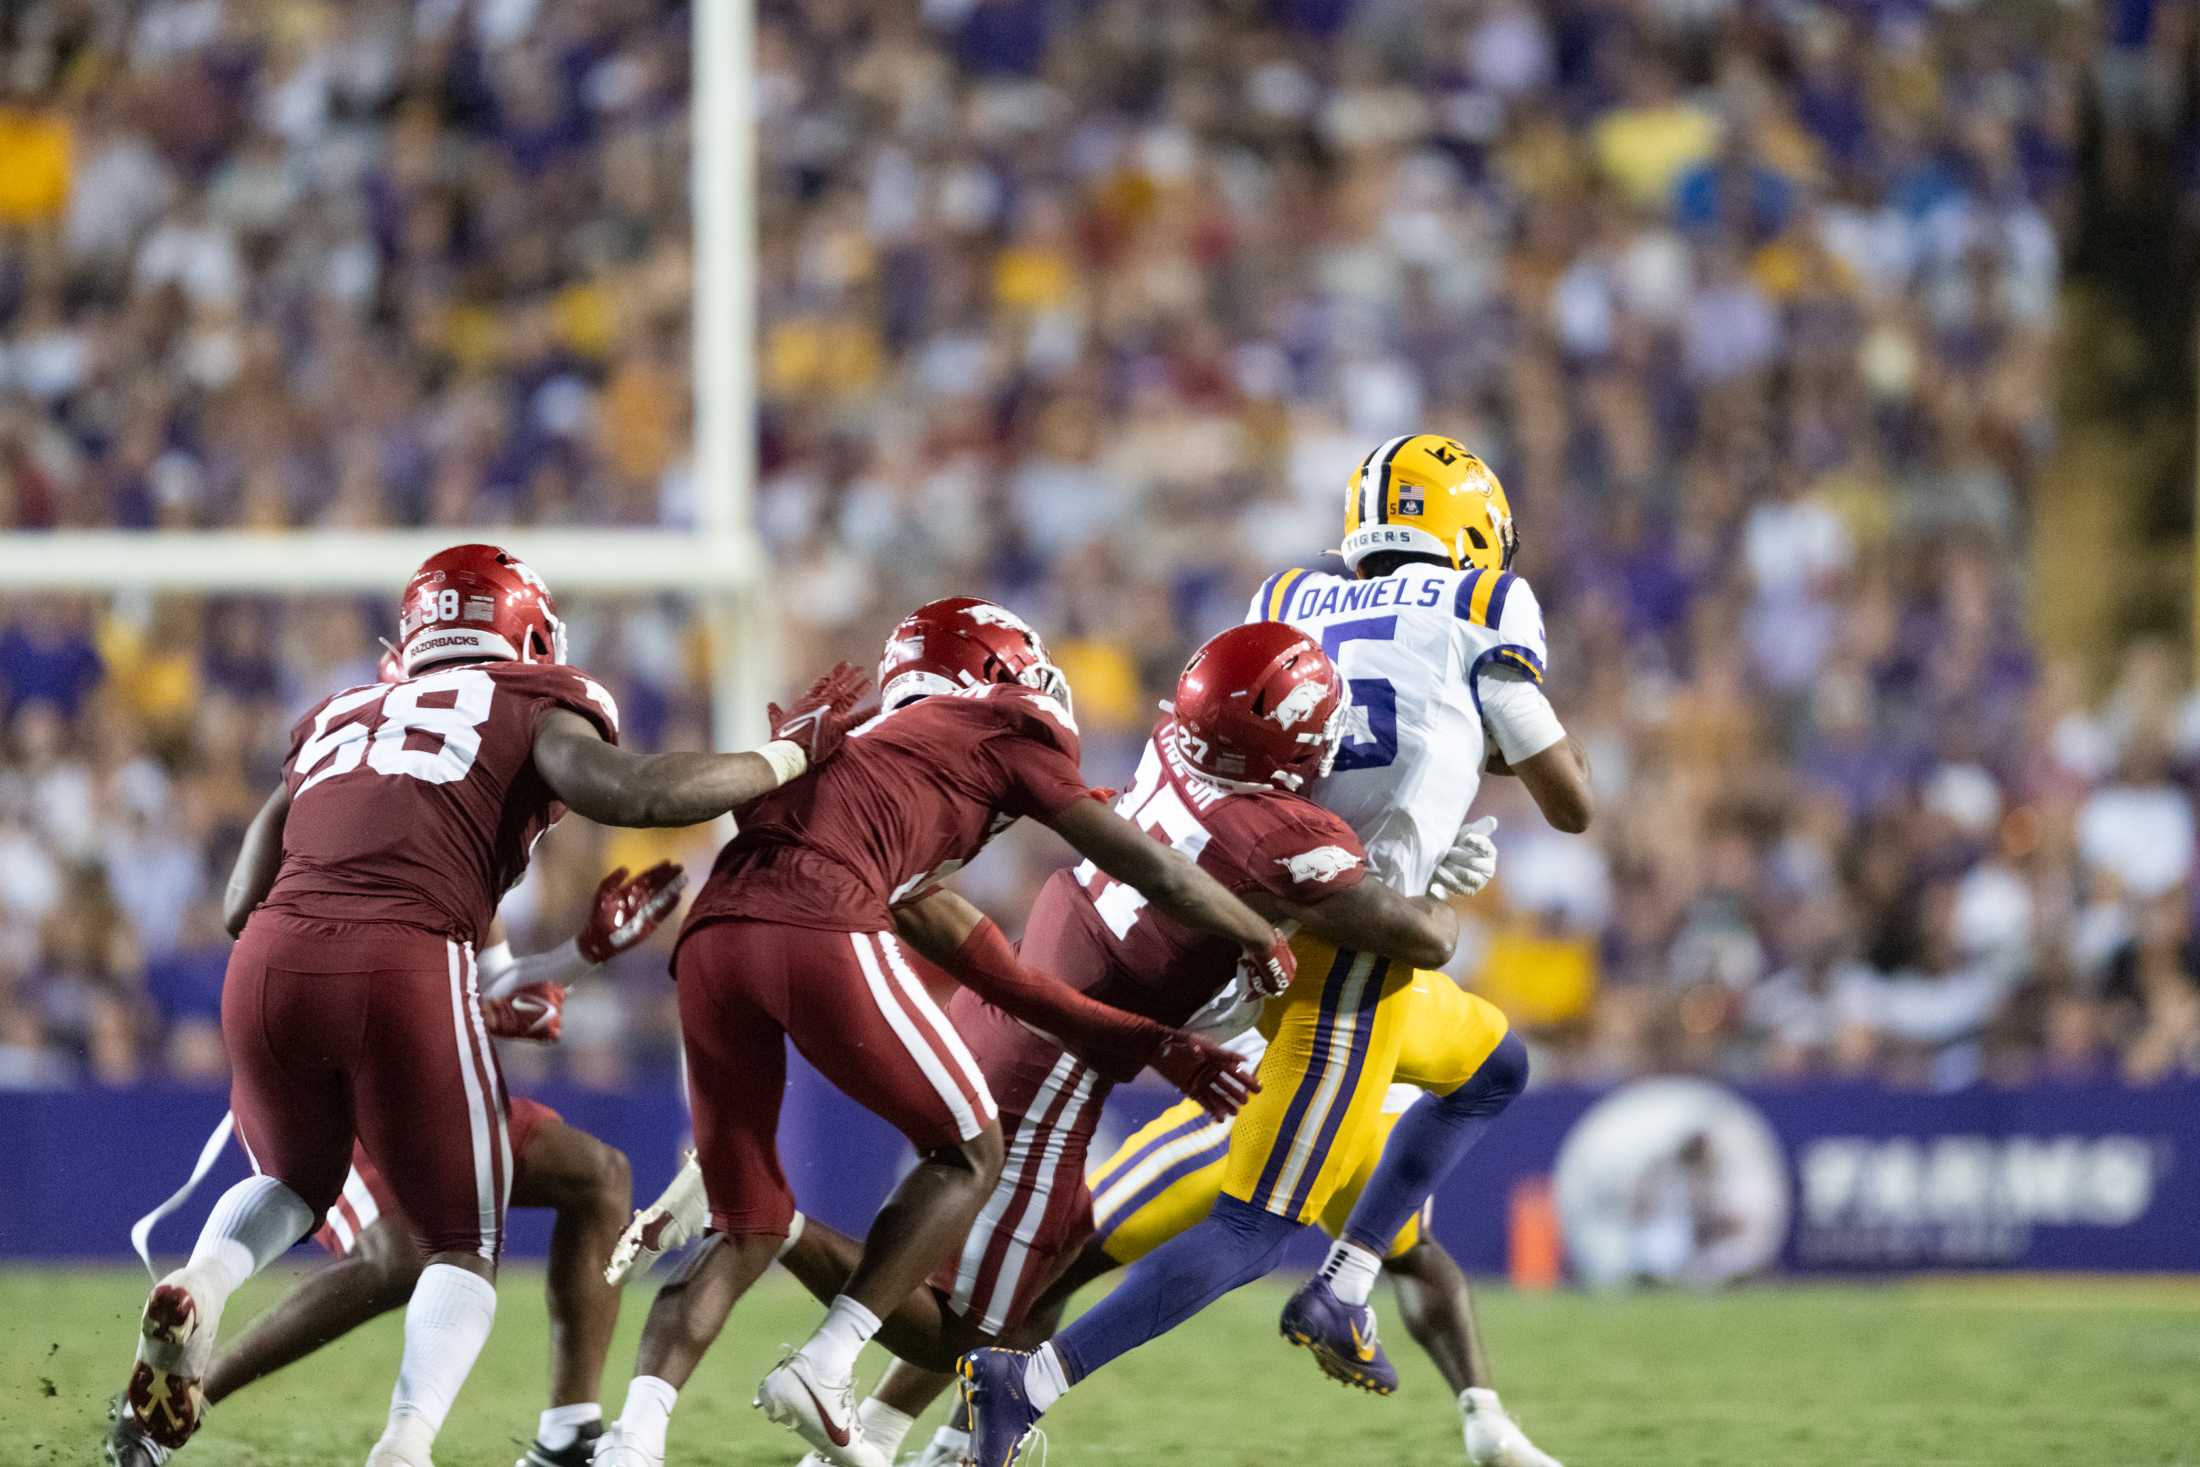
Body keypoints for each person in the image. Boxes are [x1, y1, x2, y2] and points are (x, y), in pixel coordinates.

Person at [109, 543, 869, 1467]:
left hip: (268, 967)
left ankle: (204, 1279)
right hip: (401, 965)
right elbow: (636, 791)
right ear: (528, 633)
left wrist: (578, 955)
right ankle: (404, 1442)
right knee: (456, 1244)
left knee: (303, 1185)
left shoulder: (341, 715)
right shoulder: (527, 704)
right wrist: (790, 754)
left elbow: (239, 902)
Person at [961, 435, 1595, 1466]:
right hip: (1347, 954)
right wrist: (1461, 795)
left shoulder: (1288, 593)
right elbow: (1568, 802)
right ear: (1469, 525)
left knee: (1493, 1069)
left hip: (1260, 910)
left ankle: (1342, 1289)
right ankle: (1021, 1384)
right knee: (1250, 1225)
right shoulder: (1487, 605)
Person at [592, 597, 1295, 1467]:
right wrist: (1258, 933)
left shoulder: (878, 768)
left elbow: (996, 968)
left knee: (751, 1221)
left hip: (710, 939)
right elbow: (1144, 861)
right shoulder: (1003, 727)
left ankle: (633, 1436)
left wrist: (1152, 1044)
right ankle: (827, 1360)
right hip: (820, 920)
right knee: (970, 1148)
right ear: (999, 673)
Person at [106, 864, 687, 1467]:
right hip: (340, 1080)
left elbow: (498, 988)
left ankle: (568, 1433)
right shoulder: (398, 814)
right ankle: (173, 1404)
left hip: (427, 1078)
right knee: (402, 1254)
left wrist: (581, 953)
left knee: (597, 1175)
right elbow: (241, 910)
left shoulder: (462, 836)